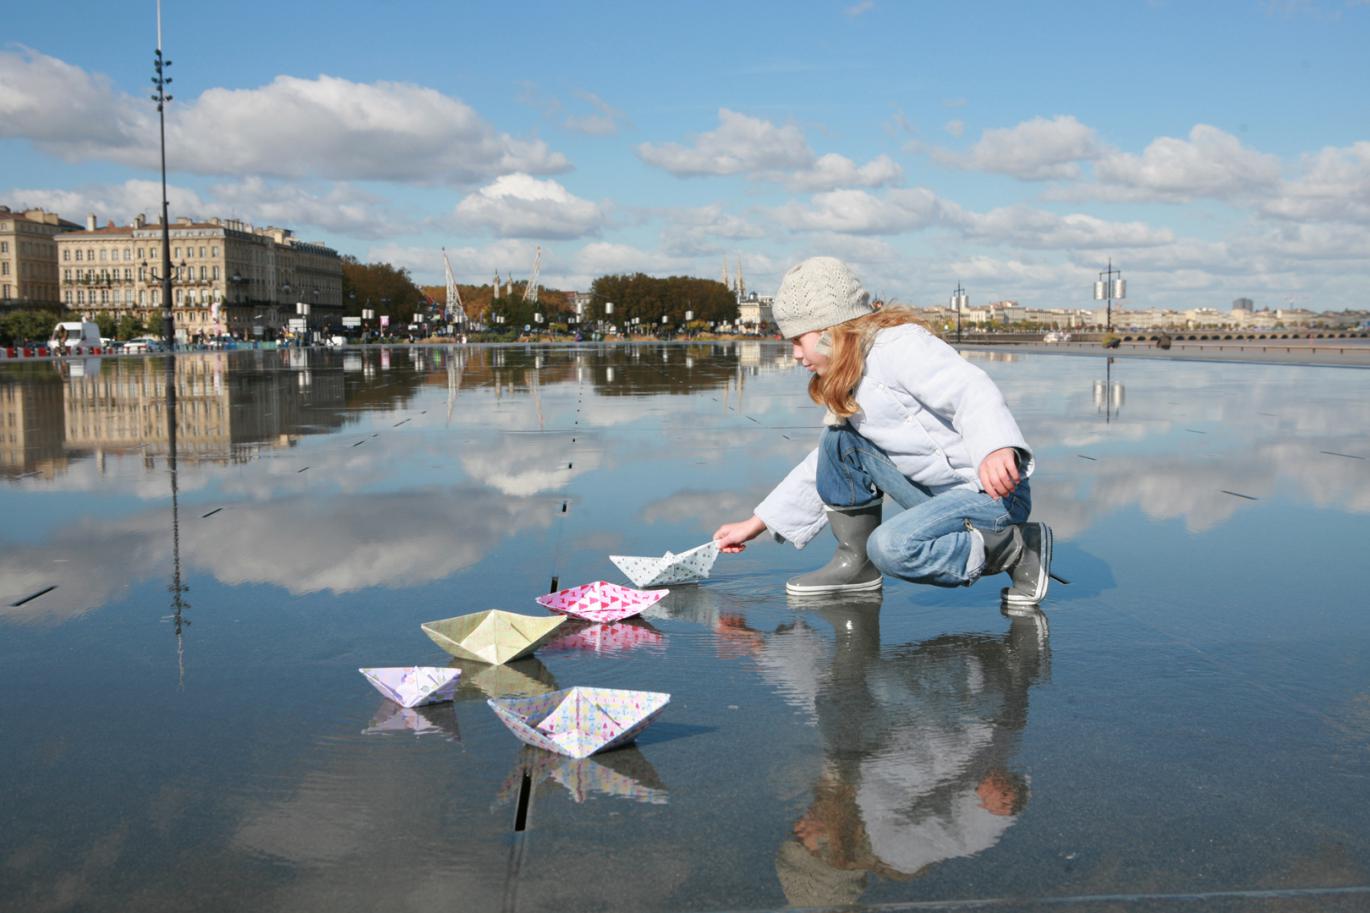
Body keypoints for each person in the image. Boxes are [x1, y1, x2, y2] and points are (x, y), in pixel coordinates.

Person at [712, 256, 1051, 607]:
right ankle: (856, 564)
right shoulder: (848, 376)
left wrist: (996, 447)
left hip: (991, 493)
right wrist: (758, 522)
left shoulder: (899, 347)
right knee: (839, 440)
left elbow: (969, 389)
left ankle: (1018, 550)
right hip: (937, 498)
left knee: (891, 547)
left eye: (799, 339)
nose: (795, 354)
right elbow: (824, 466)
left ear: (830, 331)